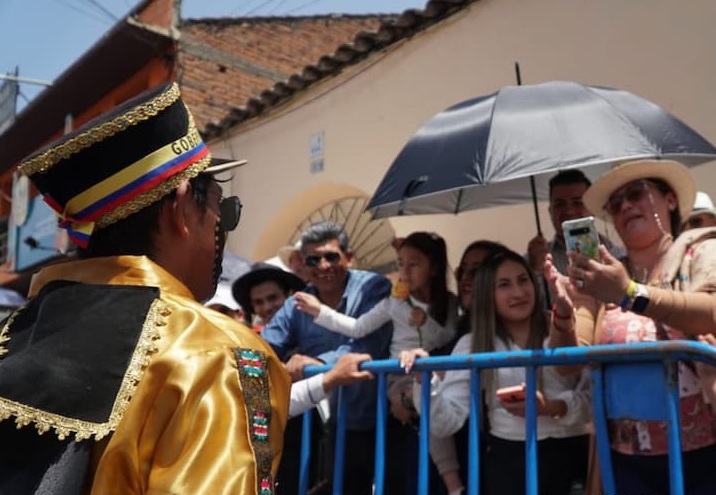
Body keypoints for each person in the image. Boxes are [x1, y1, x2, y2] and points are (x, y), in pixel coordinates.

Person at [0, 83, 290, 494]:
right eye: (224, 209)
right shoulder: (215, 354)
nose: (223, 226)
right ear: (183, 206)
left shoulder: (13, 334)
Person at [547, 159, 716, 495]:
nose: (625, 206)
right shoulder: (601, 277)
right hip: (624, 462)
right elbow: (568, 363)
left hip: (702, 455)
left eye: (637, 193)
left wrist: (629, 294)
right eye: (615, 203)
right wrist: (563, 315)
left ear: (670, 200)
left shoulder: (702, 249)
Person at [402, 248, 591, 495]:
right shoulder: (472, 344)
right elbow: (444, 423)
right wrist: (423, 378)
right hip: (509, 464)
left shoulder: (566, 326)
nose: (518, 292)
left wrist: (552, 407)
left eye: (523, 280)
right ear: (486, 295)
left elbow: (593, 399)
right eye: (504, 285)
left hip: (575, 456)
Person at [294, 231, 462, 494]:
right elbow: (358, 327)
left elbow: (450, 335)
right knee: (427, 410)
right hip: (400, 377)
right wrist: (321, 312)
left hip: (433, 374)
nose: (405, 271)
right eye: (400, 264)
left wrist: (425, 323)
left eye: (414, 264)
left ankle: (453, 483)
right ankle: (454, 485)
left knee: (437, 416)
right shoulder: (393, 304)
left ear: (434, 268)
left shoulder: (449, 303)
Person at [261, 220, 393, 495]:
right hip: (332, 425)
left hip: (384, 417)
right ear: (303, 264)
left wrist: (319, 364)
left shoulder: (373, 287)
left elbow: (370, 344)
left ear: (349, 257)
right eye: (313, 259)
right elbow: (266, 346)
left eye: (331, 256)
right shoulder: (296, 303)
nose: (323, 266)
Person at [527, 169, 621, 276]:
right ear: (550, 211)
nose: (569, 210)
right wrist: (535, 270)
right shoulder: (537, 261)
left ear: (592, 209)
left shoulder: (619, 257)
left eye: (577, 202)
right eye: (560, 204)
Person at [233, 261, 305, 331]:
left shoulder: (311, 328)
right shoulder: (253, 339)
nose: (267, 307)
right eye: (259, 302)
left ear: (288, 295)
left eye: (272, 298)